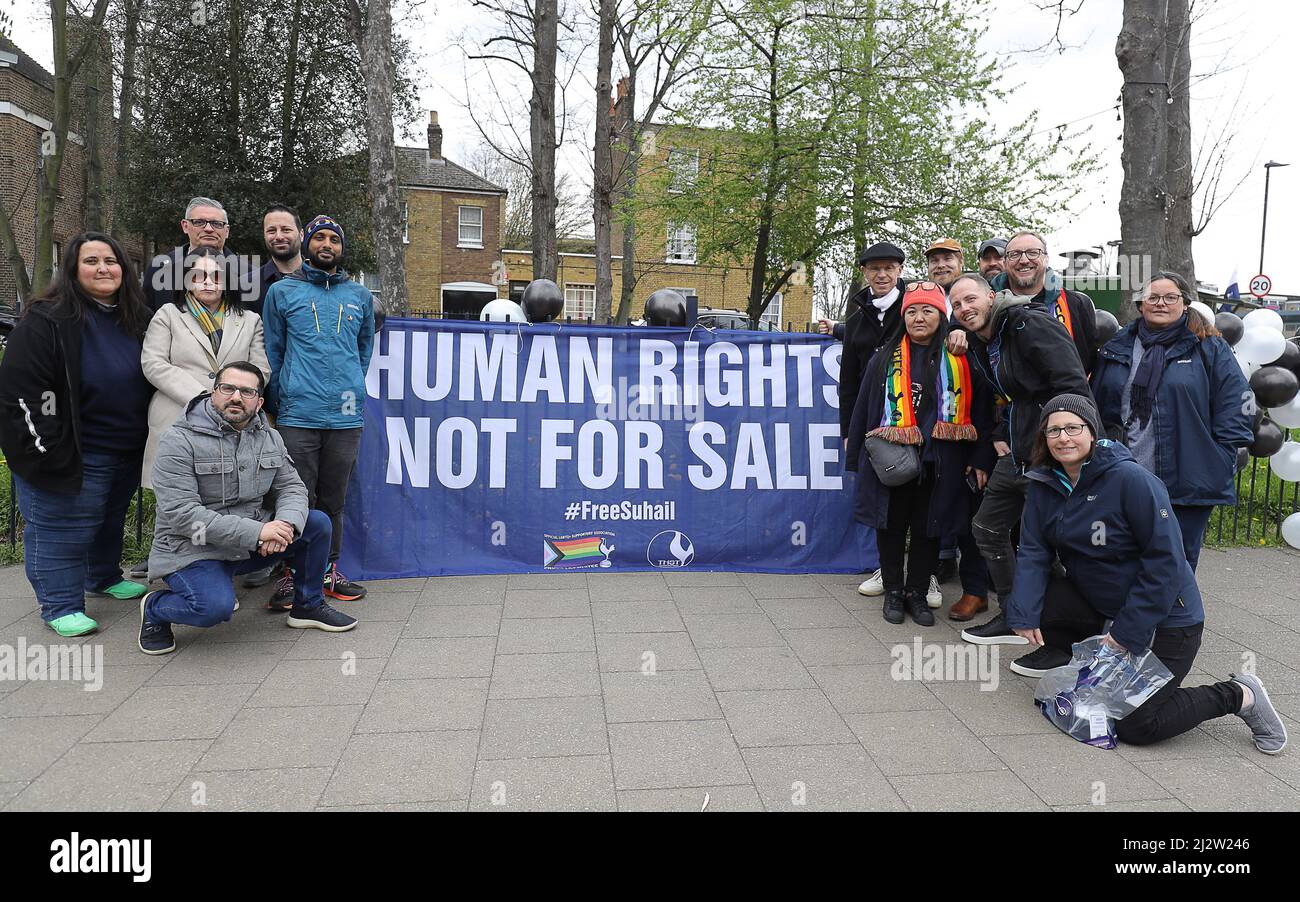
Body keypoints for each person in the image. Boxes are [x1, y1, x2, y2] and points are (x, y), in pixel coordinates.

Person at [1002, 394, 1286, 754]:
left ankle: (1240, 694)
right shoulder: (1045, 484)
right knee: (1042, 607)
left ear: (1092, 432)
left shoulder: (1131, 479)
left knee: (1138, 725)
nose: (1063, 438)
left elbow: (1165, 561)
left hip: (1169, 617)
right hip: (1106, 603)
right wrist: (1024, 612)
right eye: (1053, 430)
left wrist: (1126, 633)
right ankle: (1097, 667)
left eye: (1073, 428)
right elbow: (1033, 549)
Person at [140, 362, 357, 653]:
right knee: (214, 608)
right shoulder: (178, 441)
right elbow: (183, 517)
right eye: (227, 388)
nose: (236, 397)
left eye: (246, 391)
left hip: (250, 543)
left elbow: (292, 487)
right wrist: (259, 532)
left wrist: (285, 527)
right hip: (192, 548)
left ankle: (307, 606)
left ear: (259, 402)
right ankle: (155, 609)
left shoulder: (269, 437)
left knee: (316, 524)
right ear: (213, 392)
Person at [0, 232, 154, 637]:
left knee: (107, 519)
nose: (103, 268)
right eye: (91, 261)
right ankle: (60, 605)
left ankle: (101, 576)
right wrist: (45, 451)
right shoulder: (47, 320)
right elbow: (25, 394)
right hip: (72, 451)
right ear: (72, 269)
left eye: (111, 260)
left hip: (125, 450)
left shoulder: (133, 318)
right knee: (61, 527)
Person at [946, 274, 1092, 643]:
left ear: (991, 296)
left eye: (970, 299)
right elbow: (1012, 398)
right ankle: (1015, 615)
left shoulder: (1028, 322)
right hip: (1016, 450)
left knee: (1049, 541)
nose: (964, 308)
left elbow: (1072, 384)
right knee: (988, 528)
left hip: (1050, 450)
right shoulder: (986, 339)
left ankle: (1063, 624)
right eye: (957, 304)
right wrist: (1001, 436)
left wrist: (1063, 444)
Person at [846, 283, 996, 625]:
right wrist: (855, 455)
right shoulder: (884, 357)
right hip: (893, 462)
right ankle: (895, 592)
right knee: (891, 526)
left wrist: (980, 459)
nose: (918, 317)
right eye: (911, 311)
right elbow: (862, 410)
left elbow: (983, 412)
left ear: (941, 315)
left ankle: (917, 594)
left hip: (940, 461)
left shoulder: (960, 357)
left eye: (927, 310)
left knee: (930, 528)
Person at [1091, 272, 1253, 569]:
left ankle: (1178, 616)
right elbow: (1097, 403)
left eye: (1170, 297)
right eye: (1153, 297)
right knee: (1124, 553)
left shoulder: (1208, 347)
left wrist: (1222, 454)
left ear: (1185, 303)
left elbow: (1237, 401)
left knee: (1177, 557)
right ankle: (1132, 614)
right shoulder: (1117, 347)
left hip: (1189, 473)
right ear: (1140, 304)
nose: (1161, 303)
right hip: (1125, 471)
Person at [262, 214, 374, 606]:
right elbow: (274, 351)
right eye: (319, 238)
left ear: (341, 249)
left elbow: (364, 352)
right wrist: (281, 400)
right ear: (307, 244)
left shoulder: (360, 296)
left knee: (334, 501)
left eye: (334, 240)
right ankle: (293, 577)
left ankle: (327, 573)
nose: (327, 245)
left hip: (345, 418)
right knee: (296, 499)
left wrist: (351, 387)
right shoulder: (282, 292)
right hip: (298, 416)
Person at [140, 247, 270, 490]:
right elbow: (153, 363)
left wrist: (231, 396)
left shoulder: (251, 321)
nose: (208, 282)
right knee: (177, 504)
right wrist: (205, 399)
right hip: (177, 416)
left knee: (225, 499)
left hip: (234, 419)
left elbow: (260, 369)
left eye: (216, 276)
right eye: (199, 275)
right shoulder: (168, 315)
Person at [835, 242, 909, 598]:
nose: (882, 275)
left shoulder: (914, 306)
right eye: (874, 269)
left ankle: (926, 572)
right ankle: (888, 569)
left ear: (899, 271)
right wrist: (849, 429)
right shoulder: (856, 316)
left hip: (912, 412)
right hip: (871, 417)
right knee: (880, 494)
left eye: (889, 268)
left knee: (921, 494)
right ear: (865, 272)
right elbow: (848, 379)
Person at [924, 238, 993, 613]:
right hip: (929, 438)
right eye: (934, 260)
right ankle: (926, 576)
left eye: (947, 258)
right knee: (931, 510)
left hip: (968, 439)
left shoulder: (975, 331)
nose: (940, 265)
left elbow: (985, 400)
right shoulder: (928, 314)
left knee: (971, 517)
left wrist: (982, 455)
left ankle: (976, 590)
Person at [995, 231, 1098, 375]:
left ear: (1046, 259)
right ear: (1005, 263)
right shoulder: (988, 303)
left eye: (1033, 253)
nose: (1024, 260)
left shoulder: (1077, 303)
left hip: (1066, 394)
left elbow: (1089, 361)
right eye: (1015, 254)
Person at [141, 197, 241, 313]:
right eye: (199, 222)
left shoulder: (248, 274)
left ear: (227, 231)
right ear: (185, 226)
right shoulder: (159, 269)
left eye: (216, 224)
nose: (208, 229)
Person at [252, 203, 303, 316]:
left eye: (286, 230)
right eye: (271, 231)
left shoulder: (320, 280)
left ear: (301, 234)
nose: (279, 236)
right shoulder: (248, 286)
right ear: (264, 236)